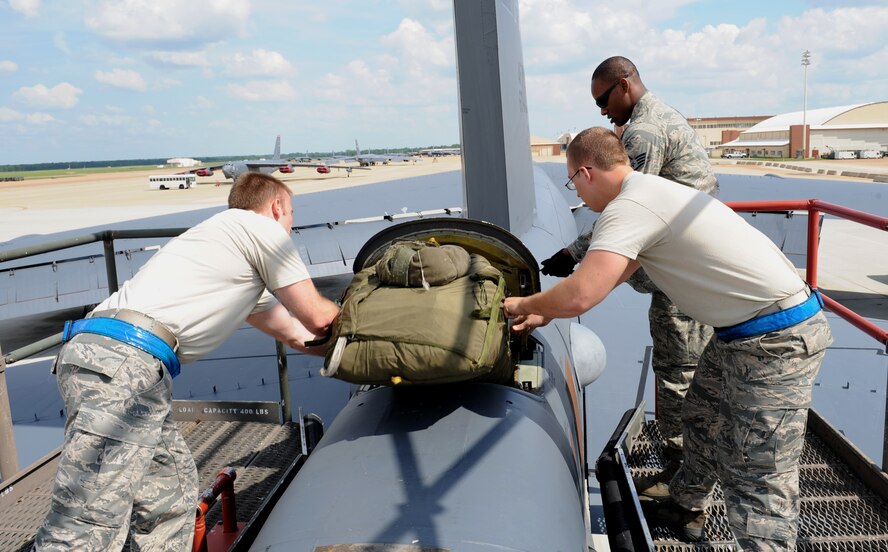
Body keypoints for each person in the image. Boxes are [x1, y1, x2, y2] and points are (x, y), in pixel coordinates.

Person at [505, 127, 832, 549]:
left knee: (756, 472)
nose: (579, 197)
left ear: (585, 172)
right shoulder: (650, 193)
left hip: (775, 340)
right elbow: (612, 275)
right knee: (701, 415)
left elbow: (584, 293)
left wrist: (522, 304)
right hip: (743, 331)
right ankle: (687, 504)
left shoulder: (629, 208)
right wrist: (544, 310)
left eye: (574, 183)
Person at [34, 172, 340, 551]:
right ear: (277, 207)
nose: (290, 225)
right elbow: (319, 318)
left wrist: (349, 350)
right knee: (88, 520)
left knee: (170, 498)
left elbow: (298, 334)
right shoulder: (261, 229)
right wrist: (367, 324)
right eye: (291, 213)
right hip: (123, 361)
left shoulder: (232, 253)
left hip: (132, 368)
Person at [540, 56, 718, 474]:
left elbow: (625, 206)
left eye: (603, 99)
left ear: (623, 85)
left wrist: (574, 254)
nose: (602, 111)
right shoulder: (656, 117)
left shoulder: (645, 132)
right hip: (683, 259)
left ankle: (683, 480)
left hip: (682, 268)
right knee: (683, 369)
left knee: (679, 371)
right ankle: (688, 474)